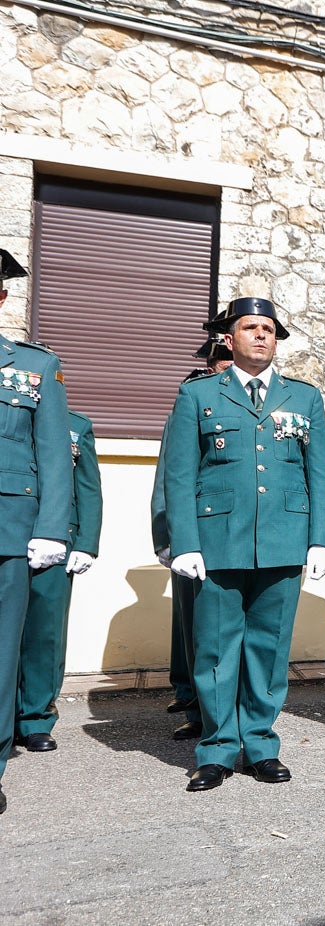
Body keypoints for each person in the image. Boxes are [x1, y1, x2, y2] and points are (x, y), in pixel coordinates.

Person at [165, 297, 325, 791]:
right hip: (218, 541)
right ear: (229, 338)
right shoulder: (198, 396)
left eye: (269, 329)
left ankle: (259, 743)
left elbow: (319, 476)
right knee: (216, 648)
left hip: (284, 541)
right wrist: (185, 543)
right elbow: (178, 474)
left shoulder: (304, 397)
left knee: (269, 649)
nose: (261, 335)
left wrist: (319, 541)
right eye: (250, 327)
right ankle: (216, 748)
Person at [0, 247, 73, 814]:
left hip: (8, 528)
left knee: (3, 653)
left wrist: (51, 528)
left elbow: (54, 454)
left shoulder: (34, 368)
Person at [154, 347, 233, 741]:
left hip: (235, 537)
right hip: (196, 536)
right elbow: (170, 479)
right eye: (224, 366)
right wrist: (168, 538)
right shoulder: (192, 401)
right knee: (195, 630)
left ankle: (231, 717)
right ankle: (198, 709)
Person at [16, 407, 102, 752]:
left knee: (46, 634)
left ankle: (35, 717)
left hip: (57, 539)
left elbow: (89, 487)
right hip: (10, 531)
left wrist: (86, 543)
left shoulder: (76, 425)